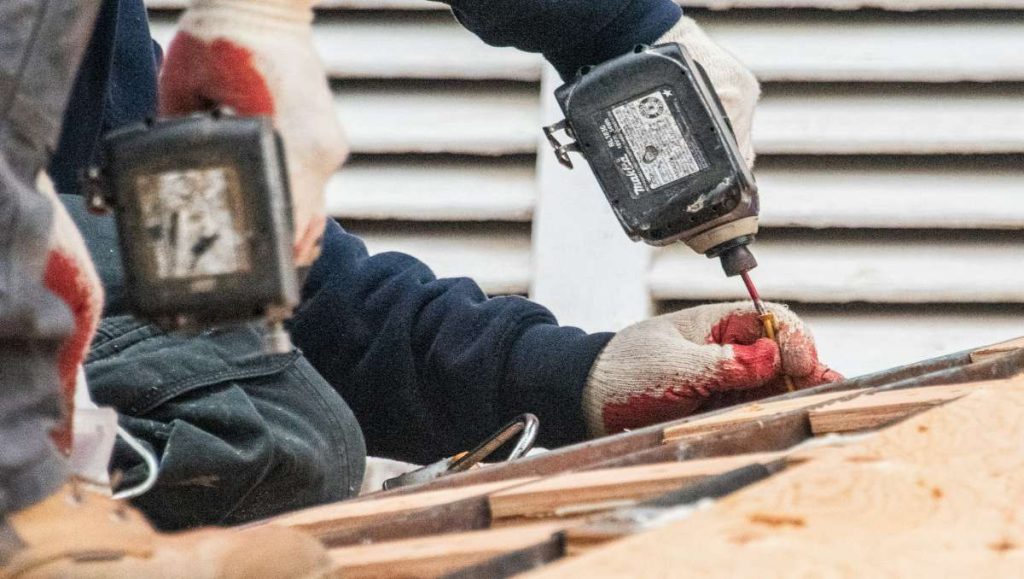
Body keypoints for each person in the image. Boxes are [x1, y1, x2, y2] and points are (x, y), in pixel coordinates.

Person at [3, 0, 839, 574]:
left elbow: (249, 295)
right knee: (267, 427)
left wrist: (574, 374)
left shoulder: (82, 53)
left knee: (265, 407)